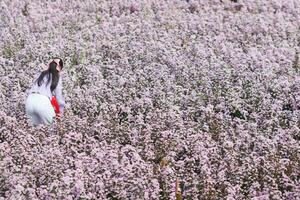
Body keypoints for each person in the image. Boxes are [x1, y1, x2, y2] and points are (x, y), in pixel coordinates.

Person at [25, 58, 66, 126]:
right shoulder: (57, 77)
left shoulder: (40, 74)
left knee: (34, 131)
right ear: (60, 68)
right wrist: (61, 112)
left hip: (29, 102)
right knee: (52, 128)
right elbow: (59, 98)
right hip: (42, 102)